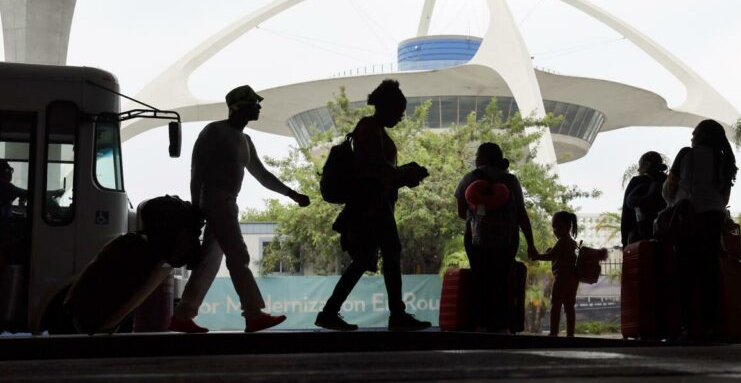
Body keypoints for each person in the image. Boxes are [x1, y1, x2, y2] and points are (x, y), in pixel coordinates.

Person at [169, 85, 311, 334]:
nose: (259, 107)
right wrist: (195, 206)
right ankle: (253, 314)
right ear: (238, 107)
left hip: (226, 203)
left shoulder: (246, 140)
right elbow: (197, 171)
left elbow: (262, 175)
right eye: (254, 103)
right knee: (238, 256)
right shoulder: (214, 131)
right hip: (215, 201)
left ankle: (182, 315)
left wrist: (291, 194)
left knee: (209, 263)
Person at [315, 79, 432, 332]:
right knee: (391, 252)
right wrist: (404, 173)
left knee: (367, 258)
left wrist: (402, 175)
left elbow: (377, 170)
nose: (401, 117)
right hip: (372, 203)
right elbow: (374, 168)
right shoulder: (370, 128)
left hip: (373, 202)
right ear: (387, 107)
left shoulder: (373, 129)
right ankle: (397, 315)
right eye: (399, 111)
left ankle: (330, 312)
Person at [663, 119, 737, 341]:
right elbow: (724, 196)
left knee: (685, 270)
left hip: (690, 215)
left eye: (694, 133)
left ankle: (688, 326)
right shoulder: (723, 159)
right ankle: (711, 325)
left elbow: (669, 189)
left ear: (702, 135)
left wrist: (672, 203)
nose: (691, 137)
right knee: (709, 270)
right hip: (713, 216)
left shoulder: (686, 154)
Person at [454, 142, 536, 333]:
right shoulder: (511, 181)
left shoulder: (469, 178)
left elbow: (461, 212)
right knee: (502, 280)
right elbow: (521, 214)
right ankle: (502, 325)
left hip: (476, 240)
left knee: (480, 278)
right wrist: (531, 243)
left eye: (477, 155)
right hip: (506, 241)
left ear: (481, 158)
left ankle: (480, 323)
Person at [529, 211, 579, 337]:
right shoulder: (572, 242)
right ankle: (570, 334)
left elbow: (551, 256)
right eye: (553, 227)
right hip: (573, 279)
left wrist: (537, 256)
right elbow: (560, 255)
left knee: (556, 304)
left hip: (562, 277)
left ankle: (553, 332)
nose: (555, 230)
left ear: (568, 227)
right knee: (569, 306)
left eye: (559, 227)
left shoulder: (562, 241)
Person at [620, 151, 668, 247]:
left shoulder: (637, 181)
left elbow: (626, 214)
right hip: (664, 236)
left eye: (640, 165)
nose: (638, 169)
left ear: (646, 164)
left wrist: (624, 241)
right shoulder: (667, 181)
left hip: (638, 236)